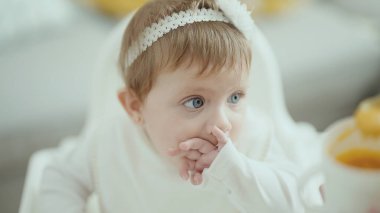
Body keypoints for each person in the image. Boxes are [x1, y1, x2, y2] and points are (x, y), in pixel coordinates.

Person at [38, 0, 323, 212]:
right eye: (195, 102)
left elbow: (298, 201)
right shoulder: (111, 143)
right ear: (135, 107)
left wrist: (236, 171)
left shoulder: (255, 140)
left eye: (235, 98)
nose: (223, 123)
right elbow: (61, 176)